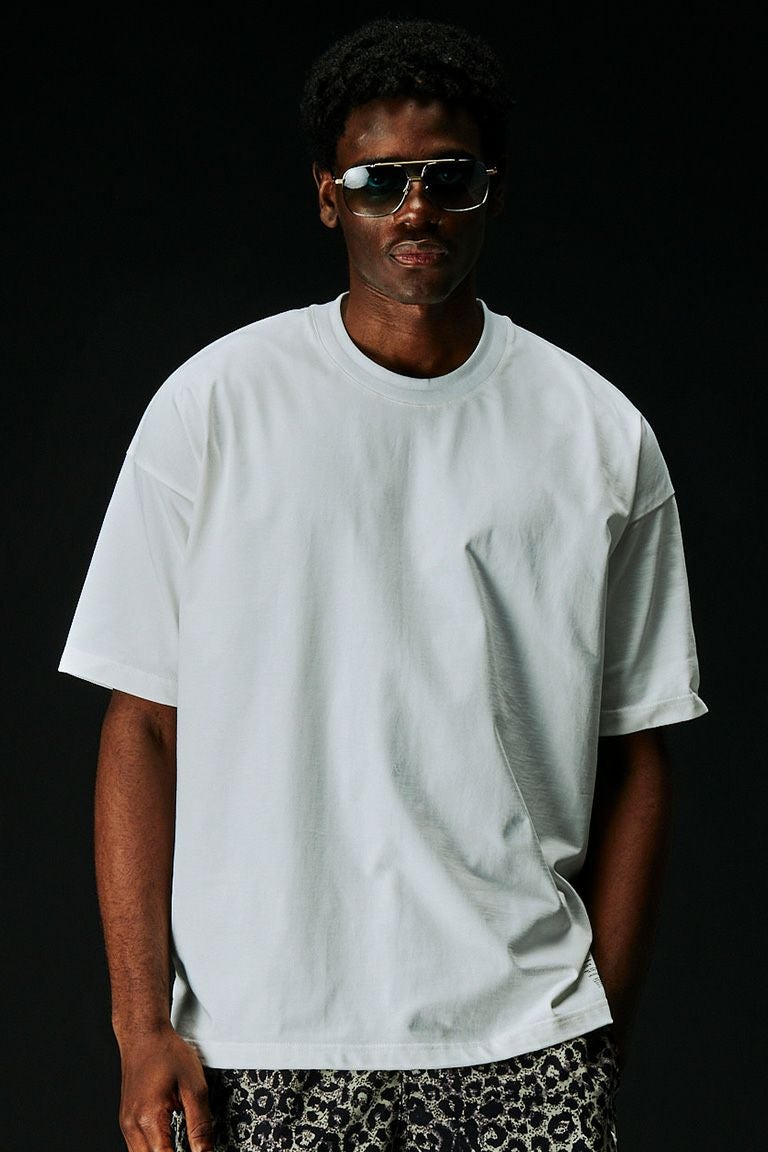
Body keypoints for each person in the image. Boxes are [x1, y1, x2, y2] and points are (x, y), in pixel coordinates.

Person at [58, 15, 708, 1152]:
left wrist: (592, 1039)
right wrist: (139, 1026)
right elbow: (143, 724)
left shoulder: (598, 435)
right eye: (377, 180)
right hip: (259, 1039)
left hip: (520, 1035)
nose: (415, 209)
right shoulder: (215, 408)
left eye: (448, 177)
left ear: (491, 192)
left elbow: (639, 750)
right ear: (329, 196)